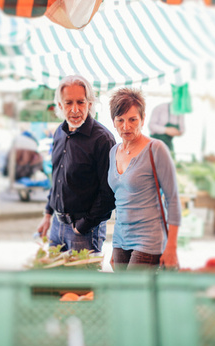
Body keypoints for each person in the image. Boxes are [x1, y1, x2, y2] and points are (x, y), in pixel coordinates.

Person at [36, 75, 116, 253]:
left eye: (80, 102)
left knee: (83, 281)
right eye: (68, 103)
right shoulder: (59, 132)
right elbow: (57, 178)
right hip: (56, 226)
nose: (75, 109)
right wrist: (48, 215)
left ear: (90, 104)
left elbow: (109, 193)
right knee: (54, 280)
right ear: (59, 106)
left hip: (84, 232)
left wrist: (83, 226)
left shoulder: (103, 139)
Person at [108, 88, 181, 270]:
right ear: (114, 122)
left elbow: (173, 199)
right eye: (120, 120)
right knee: (123, 296)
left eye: (133, 119)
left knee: (132, 295)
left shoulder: (156, 149)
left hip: (148, 239)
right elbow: (120, 200)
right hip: (120, 240)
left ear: (143, 118)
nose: (126, 126)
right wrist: (114, 247)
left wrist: (171, 247)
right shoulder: (113, 152)